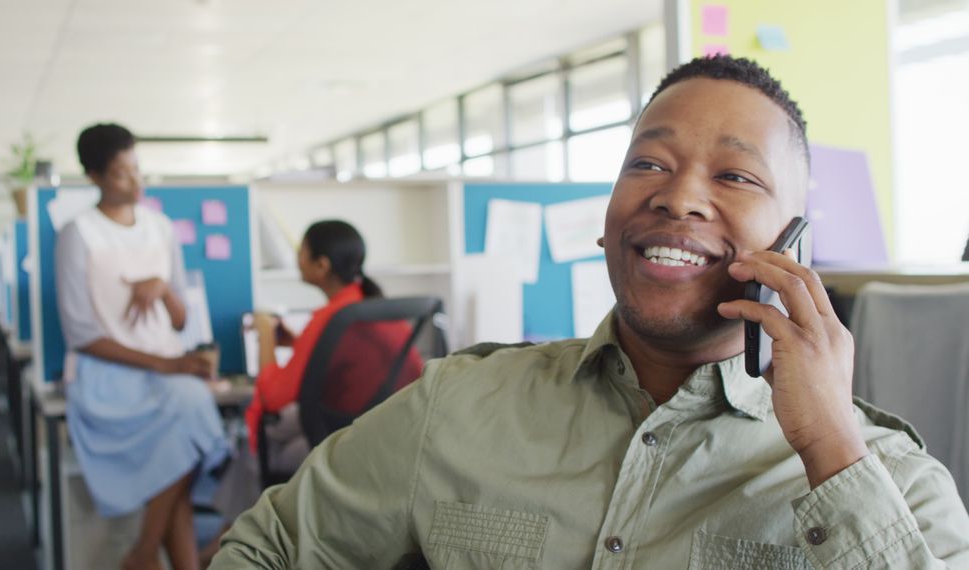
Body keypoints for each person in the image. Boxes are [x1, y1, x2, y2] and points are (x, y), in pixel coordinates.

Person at [210, 57, 969, 568]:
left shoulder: (894, 483)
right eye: (648, 163)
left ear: (793, 244)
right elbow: (263, 548)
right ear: (606, 221)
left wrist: (830, 446)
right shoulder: (457, 406)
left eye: (735, 174)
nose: (676, 195)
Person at [56, 123, 230, 570]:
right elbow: (81, 334)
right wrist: (166, 366)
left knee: (184, 430)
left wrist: (162, 288)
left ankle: (144, 552)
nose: (135, 182)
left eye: (137, 170)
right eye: (120, 174)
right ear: (93, 176)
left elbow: (180, 319)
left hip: (166, 369)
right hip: (112, 374)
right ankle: (148, 554)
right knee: (190, 419)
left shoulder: (160, 227)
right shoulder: (78, 235)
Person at [244, 220, 424, 474]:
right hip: (393, 432)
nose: (297, 259)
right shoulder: (368, 304)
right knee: (285, 429)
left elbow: (272, 398)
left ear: (321, 265)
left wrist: (264, 334)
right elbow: (343, 356)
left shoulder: (331, 317)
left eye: (301, 252)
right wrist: (294, 342)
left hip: (355, 442)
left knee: (268, 444)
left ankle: (254, 513)